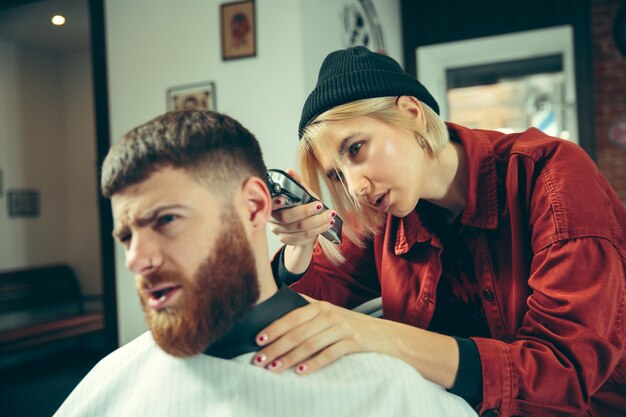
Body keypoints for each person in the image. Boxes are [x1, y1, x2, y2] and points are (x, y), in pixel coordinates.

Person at [259, 46, 626, 417]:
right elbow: (300, 304)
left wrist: (376, 335)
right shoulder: (384, 212)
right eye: (337, 175)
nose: (355, 188)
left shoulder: (552, 176)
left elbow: (563, 374)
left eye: (356, 148)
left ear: (412, 115)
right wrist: (298, 249)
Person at [53, 110, 477, 417]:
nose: (136, 260)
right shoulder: (108, 383)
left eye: (166, 220)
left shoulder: (390, 392)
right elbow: (313, 281)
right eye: (126, 236)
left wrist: (373, 333)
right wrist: (297, 255)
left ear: (255, 206)